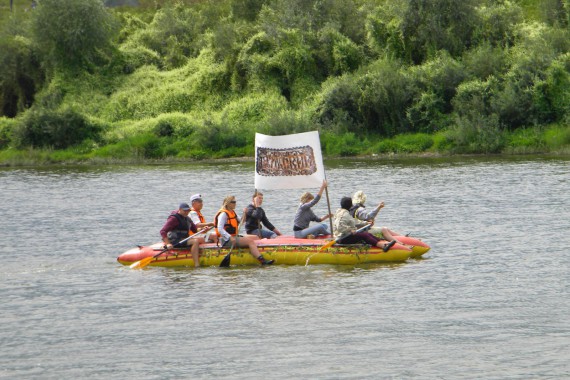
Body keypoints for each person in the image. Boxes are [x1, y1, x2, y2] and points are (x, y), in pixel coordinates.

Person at [214, 195, 274, 265]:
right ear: (228, 203)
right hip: (226, 240)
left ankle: (256, 250)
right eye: (233, 202)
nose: (235, 203)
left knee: (255, 237)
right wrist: (230, 237)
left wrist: (244, 213)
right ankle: (262, 261)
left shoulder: (233, 212)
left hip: (233, 236)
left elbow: (242, 221)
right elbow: (220, 229)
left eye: (235, 202)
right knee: (250, 242)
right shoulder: (223, 214)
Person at [160, 203, 204, 267]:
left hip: (183, 239)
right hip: (175, 240)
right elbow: (163, 231)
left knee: (201, 239)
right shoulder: (173, 219)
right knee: (195, 241)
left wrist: (203, 229)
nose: (186, 212)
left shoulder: (187, 219)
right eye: (185, 210)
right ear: (180, 209)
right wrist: (168, 244)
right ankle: (197, 264)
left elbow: (195, 230)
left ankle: (202, 254)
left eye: (188, 211)